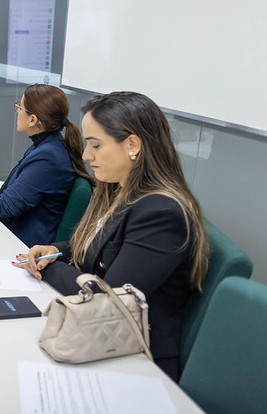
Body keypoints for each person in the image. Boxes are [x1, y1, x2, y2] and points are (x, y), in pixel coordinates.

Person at [15, 91, 210, 382]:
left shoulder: (161, 212)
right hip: (104, 343)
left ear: (132, 145)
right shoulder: (122, 190)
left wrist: (51, 266)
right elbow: (101, 246)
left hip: (137, 362)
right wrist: (55, 250)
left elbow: (107, 297)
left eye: (95, 145)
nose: (85, 155)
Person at [0, 84, 93, 246]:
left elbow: (4, 207)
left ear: (33, 120)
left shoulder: (48, 157)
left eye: (20, 107)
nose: (17, 111)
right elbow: (19, 190)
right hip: (13, 232)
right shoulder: (47, 146)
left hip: (18, 243)